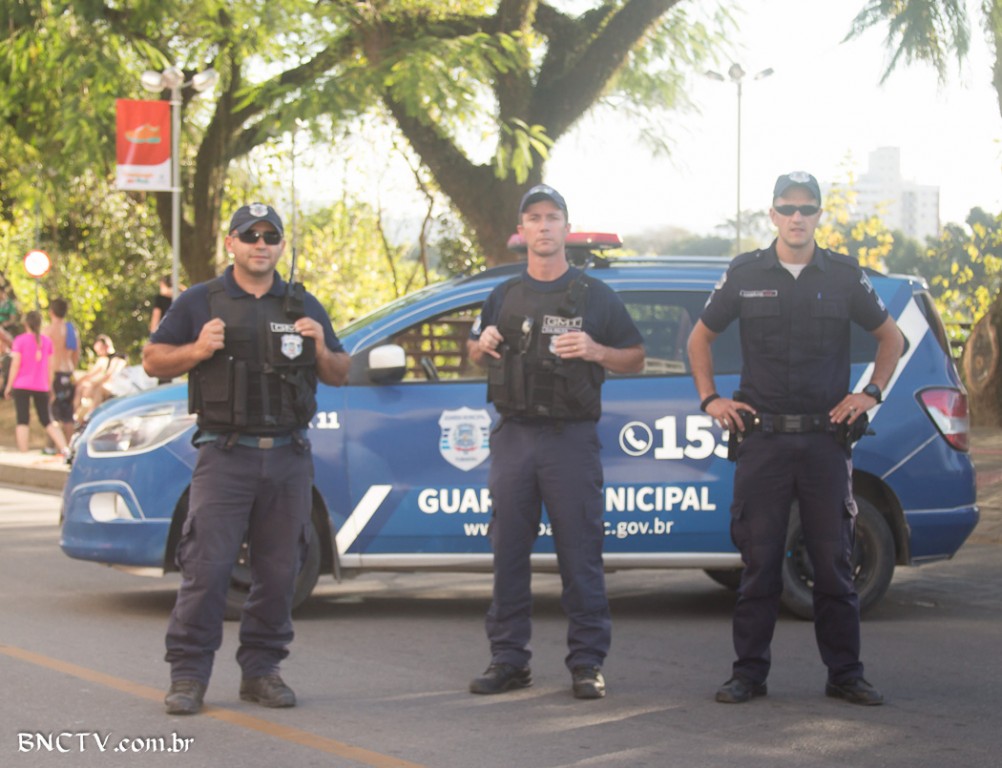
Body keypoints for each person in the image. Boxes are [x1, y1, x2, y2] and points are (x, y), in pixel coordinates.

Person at [686, 171, 905, 707]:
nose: (797, 217)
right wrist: (711, 400)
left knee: (833, 563)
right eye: (787, 207)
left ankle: (845, 674)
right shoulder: (745, 273)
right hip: (763, 442)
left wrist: (870, 393)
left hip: (825, 442)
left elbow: (891, 338)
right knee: (760, 564)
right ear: (773, 214)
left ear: (819, 216)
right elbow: (699, 338)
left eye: (807, 208)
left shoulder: (845, 275)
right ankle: (748, 674)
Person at [143, 202, 350, 716]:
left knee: (279, 573)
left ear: (280, 246)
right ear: (231, 243)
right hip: (225, 455)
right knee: (206, 569)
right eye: (250, 235)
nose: (261, 244)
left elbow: (340, 371)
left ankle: (262, 671)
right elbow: (153, 360)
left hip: (287, 457)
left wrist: (321, 347)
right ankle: (188, 675)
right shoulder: (200, 300)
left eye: (270, 236)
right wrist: (196, 350)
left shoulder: (301, 303)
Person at [466, 185, 645, 699]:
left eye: (552, 217)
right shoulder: (503, 294)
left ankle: (587, 664)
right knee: (508, 552)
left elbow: (635, 357)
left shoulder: (595, 295)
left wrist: (595, 350)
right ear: (521, 230)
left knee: (580, 554)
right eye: (534, 218)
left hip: (570, 439)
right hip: (515, 437)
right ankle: (508, 660)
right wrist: (482, 343)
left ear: (567, 227)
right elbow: (474, 351)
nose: (543, 226)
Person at [3, 311, 69, 455]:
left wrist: (8, 386)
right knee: (47, 419)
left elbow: (15, 365)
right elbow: (50, 367)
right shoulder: (47, 342)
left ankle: (23, 452)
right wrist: (50, 386)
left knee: (22, 419)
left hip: (21, 384)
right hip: (41, 386)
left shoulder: (20, 340)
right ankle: (65, 448)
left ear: (25, 324)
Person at [44, 298, 80, 443]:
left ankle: (54, 446)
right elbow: (76, 354)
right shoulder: (72, 330)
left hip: (55, 374)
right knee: (68, 414)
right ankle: (69, 445)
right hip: (69, 373)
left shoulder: (48, 330)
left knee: (52, 412)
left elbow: (43, 355)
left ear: (51, 312)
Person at [73, 335, 125, 421]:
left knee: (98, 389)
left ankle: (91, 418)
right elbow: (91, 374)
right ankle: (74, 415)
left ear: (107, 346)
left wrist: (93, 385)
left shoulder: (118, 359)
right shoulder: (103, 359)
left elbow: (109, 375)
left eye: (100, 350)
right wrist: (78, 382)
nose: (98, 353)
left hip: (115, 388)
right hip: (103, 386)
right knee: (81, 387)